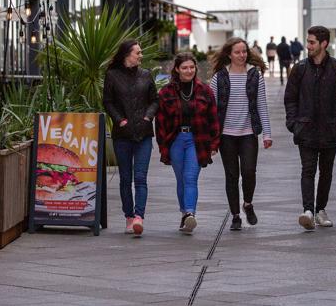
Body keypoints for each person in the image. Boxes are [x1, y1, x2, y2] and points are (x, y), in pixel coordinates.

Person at [284, 26, 336, 231]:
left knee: (326, 172)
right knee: (308, 170)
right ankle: (307, 210)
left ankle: (320, 210)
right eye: (308, 42)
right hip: (305, 129)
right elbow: (290, 98)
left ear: (324, 44)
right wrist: (293, 123)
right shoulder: (299, 69)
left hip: (330, 129)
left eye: (312, 42)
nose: (308, 46)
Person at [209, 38, 273, 231]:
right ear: (229, 54)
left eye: (244, 51)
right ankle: (236, 215)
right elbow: (211, 110)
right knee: (231, 175)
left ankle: (248, 204)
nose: (242, 55)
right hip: (226, 135)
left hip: (248, 133)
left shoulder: (255, 75)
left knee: (248, 171)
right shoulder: (218, 78)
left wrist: (267, 134)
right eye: (237, 52)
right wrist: (212, 139)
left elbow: (262, 104)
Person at [156, 52, 221, 234]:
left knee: (190, 177)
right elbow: (160, 122)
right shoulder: (166, 92)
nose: (189, 70)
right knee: (181, 180)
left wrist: (214, 144)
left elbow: (213, 118)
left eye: (192, 67)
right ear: (177, 69)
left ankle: (190, 214)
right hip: (176, 140)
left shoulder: (205, 90)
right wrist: (163, 146)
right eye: (184, 67)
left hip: (197, 139)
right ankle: (184, 213)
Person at [103, 39, 158, 237]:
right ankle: (128, 216)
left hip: (143, 133)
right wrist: (120, 120)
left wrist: (147, 117)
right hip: (122, 135)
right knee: (125, 178)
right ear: (127, 54)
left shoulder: (146, 75)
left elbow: (154, 100)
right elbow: (107, 102)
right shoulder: (112, 76)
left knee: (141, 178)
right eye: (138, 53)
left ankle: (138, 217)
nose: (141, 56)